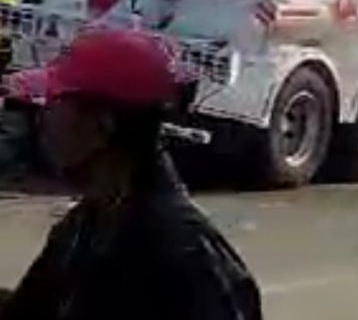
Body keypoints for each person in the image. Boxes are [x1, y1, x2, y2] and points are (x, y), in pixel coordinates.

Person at [0, 28, 262, 320]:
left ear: (100, 127)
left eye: (54, 103)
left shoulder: (182, 257)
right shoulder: (86, 226)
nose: (42, 117)